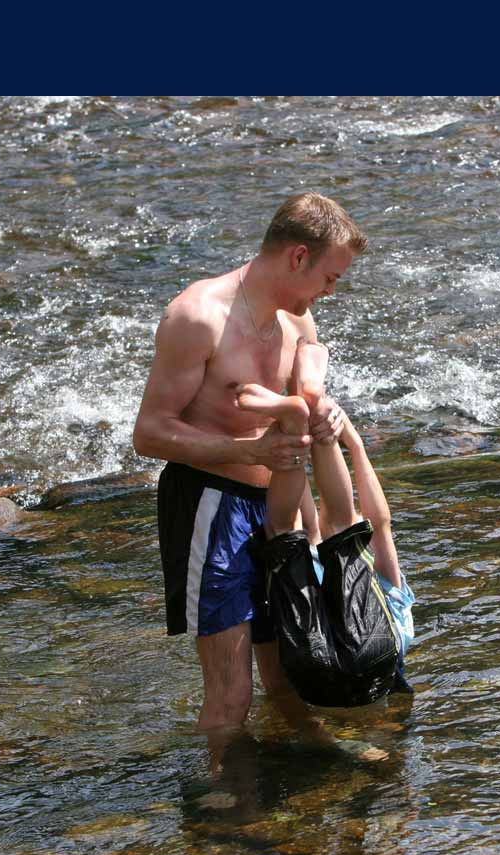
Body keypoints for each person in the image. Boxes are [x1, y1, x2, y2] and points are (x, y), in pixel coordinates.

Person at [131, 193, 366, 767]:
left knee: (292, 662)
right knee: (231, 692)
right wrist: (249, 449)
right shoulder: (197, 317)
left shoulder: (297, 319)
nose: (330, 291)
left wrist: (326, 414)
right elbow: (150, 433)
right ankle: (222, 798)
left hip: (280, 506)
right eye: (330, 277)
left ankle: (312, 750)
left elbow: (301, 405)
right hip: (211, 505)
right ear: (298, 257)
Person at [236, 340, 416, 708]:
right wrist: (353, 444)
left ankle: (300, 417)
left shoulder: (397, 612)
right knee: (291, 529)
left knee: (324, 526)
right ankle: (302, 414)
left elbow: (372, 522)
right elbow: (379, 523)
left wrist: (345, 440)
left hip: (332, 661)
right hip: (346, 667)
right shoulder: (385, 595)